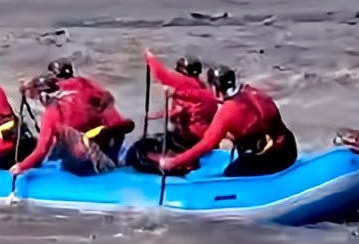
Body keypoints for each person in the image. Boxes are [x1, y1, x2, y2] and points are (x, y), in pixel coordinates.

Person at [159, 65, 298, 177]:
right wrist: (177, 93)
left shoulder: (227, 113)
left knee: (231, 172)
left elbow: (205, 145)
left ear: (215, 87)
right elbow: (211, 98)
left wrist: (174, 162)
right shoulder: (254, 92)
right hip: (290, 149)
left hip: (272, 161)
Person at [125, 50, 219, 174]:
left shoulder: (182, 82)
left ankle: (174, 165)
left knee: (138, 151)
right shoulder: (201, 86)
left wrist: (150, 57)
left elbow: (161, 74)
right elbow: (191, 109)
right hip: (204, 137)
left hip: (188, 138)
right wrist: (162, 114)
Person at [9, 73, 120, 177]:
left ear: (43, 97)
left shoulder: (51, 114)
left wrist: (21, 167)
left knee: (57, 152)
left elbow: (42, 150)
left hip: (83, 161)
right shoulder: (81, 92)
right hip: (105, 144)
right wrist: (28, 86)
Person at [46, 58, 135, 163]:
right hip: (101, 128)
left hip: (79, 135)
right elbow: (106, 97)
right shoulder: (85, 83)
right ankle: (112, 157)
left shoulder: (55, 89)